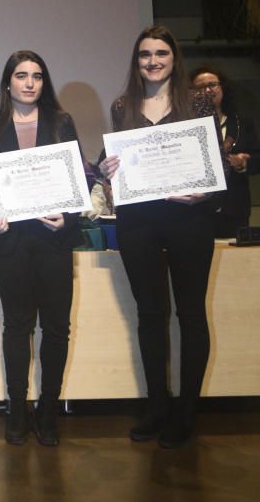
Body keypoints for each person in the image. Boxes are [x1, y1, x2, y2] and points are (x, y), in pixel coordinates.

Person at [100, 26, 224, 448]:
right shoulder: (123, 106)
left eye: (161, 54)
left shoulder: (198, 101)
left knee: (190, 314)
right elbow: (117, 162)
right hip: (139, 221)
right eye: (144, 55)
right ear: (136, 62)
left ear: (175, 58)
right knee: (150, 315)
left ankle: (186, 411)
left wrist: (205, 189)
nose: (152, 61)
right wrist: (108, 170)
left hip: (191, 218)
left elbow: (217, 162)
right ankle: (157, 406)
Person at [0, 51, 82, 447]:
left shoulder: (61, 122)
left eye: (37, 76)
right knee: (17, 326)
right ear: (8, 83)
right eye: (21, 75)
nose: (30, 83)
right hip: (10, 240)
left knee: (56, 328)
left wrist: (68, 217)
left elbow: (75, 176)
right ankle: (17, 408)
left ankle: (48, 409)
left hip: (53, 239)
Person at [191, 66, 257, 237]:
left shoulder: (241, 123)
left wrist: (244, 163)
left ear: (223, 88)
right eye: (199, 87)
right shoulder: (185, 126)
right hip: (196, 210)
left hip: (234, 208)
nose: (207, 90)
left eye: (212, 84)